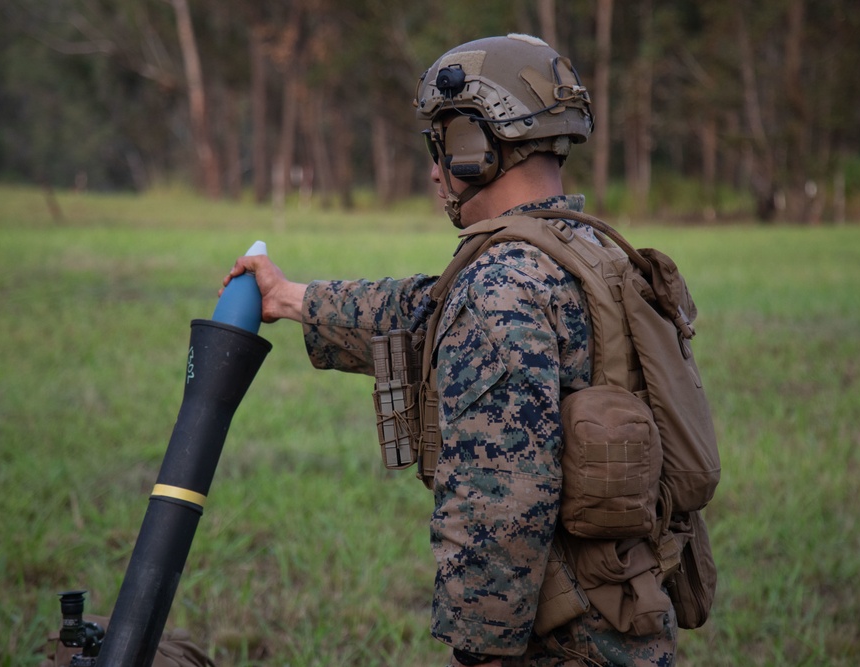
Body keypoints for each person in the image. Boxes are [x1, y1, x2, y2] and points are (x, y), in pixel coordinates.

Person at [223, 34, 677, 667]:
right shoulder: (592, 255)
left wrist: (484, 650)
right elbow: (424, 310)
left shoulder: (499, 287)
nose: (435, 170)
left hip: (560, 643)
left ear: (477, 146)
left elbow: (502, 499)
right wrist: (293, 298)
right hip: (630, 617)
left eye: (442, 144)